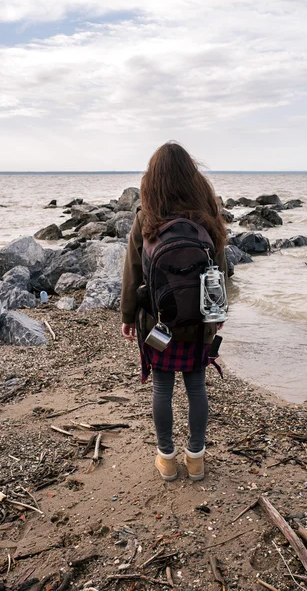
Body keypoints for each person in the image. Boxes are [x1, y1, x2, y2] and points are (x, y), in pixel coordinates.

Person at [120, 141, 227, 482]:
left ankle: (166, 459)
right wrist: (218, 313)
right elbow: (219, 269)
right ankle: (196, 458)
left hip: (159, 324)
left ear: (154, 181)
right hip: (198, 324)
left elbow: (133, 271)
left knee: (162, 390)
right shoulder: (208, 216)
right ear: (192, 177)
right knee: (197, 388)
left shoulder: (146, 218)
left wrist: (127, 317)